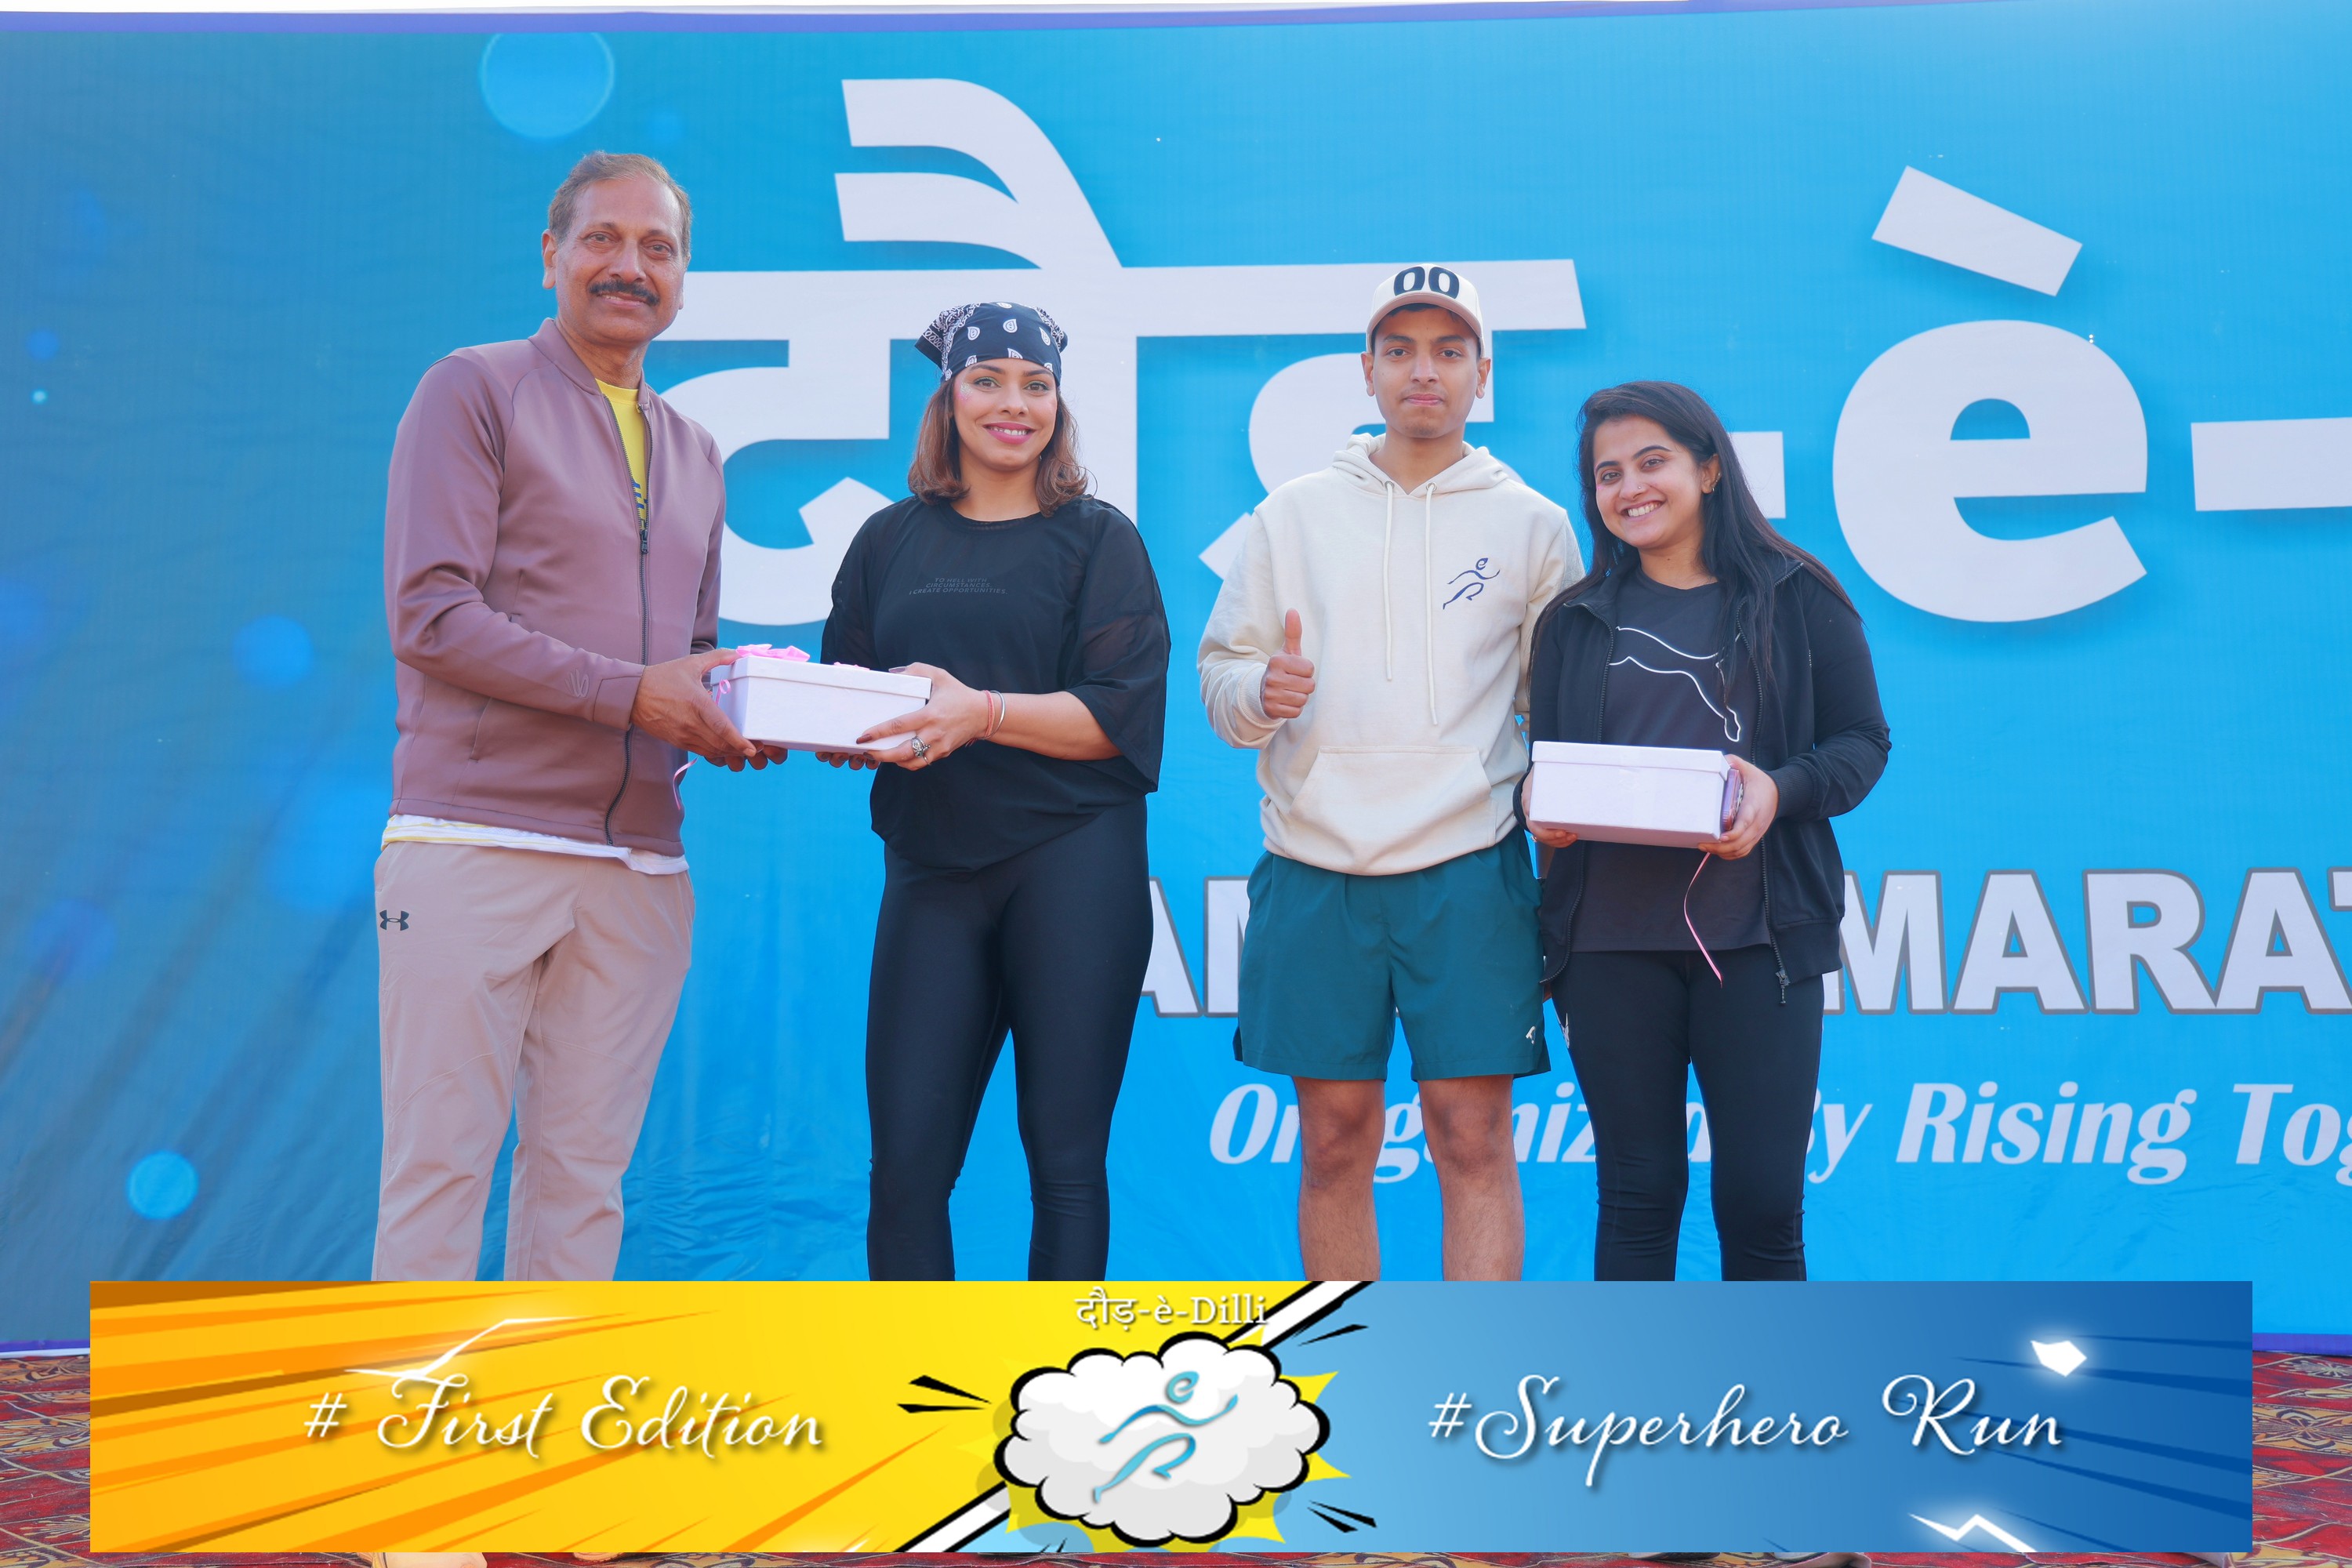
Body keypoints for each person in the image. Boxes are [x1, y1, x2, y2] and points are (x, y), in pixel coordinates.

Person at [1200, 266, 1577, 1280]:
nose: (1424, 372)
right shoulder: (1291, 513)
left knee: (1473, 1136)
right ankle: (1352, 1354)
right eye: (1400, 350)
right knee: (1332, 1141)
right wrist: (1260, 691)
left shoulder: (1535, 525)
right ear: (1365, 371)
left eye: (1450, 351)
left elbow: (1561, 710)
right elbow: (1222, 680)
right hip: (1313, 864)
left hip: (1471, 866)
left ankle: (1475, 1366)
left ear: (1483, 375)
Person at [818, 302, 1170, 1282]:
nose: (1014, 403)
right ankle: (924, 1375)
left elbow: (1119, 718)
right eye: (988, 380)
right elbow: (851, 694)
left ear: (1058, 403)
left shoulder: (1099, 540)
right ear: (949, 397)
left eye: (1035, 384)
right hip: (932, 868)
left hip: (1076, 865)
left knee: (1066, 1167)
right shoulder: (886, 540)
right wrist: (836, 729)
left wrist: (981, 713)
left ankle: (1057, 1377)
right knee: (905, 1173)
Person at [1526, 380, 1889, 1281]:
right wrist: (1545, 810)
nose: (1630, 487)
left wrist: (1780, 788)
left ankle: (1765, 1375)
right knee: (1637, 1195)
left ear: (1710, 469)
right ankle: (1639, 1376)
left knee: (1762, 1202)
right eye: (1608, 473)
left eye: (1652, 462)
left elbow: (1861, 742)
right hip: (1607, 946)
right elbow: (1548, 767)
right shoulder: (1572, 622)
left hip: (1761, 941)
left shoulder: (1798, 594)